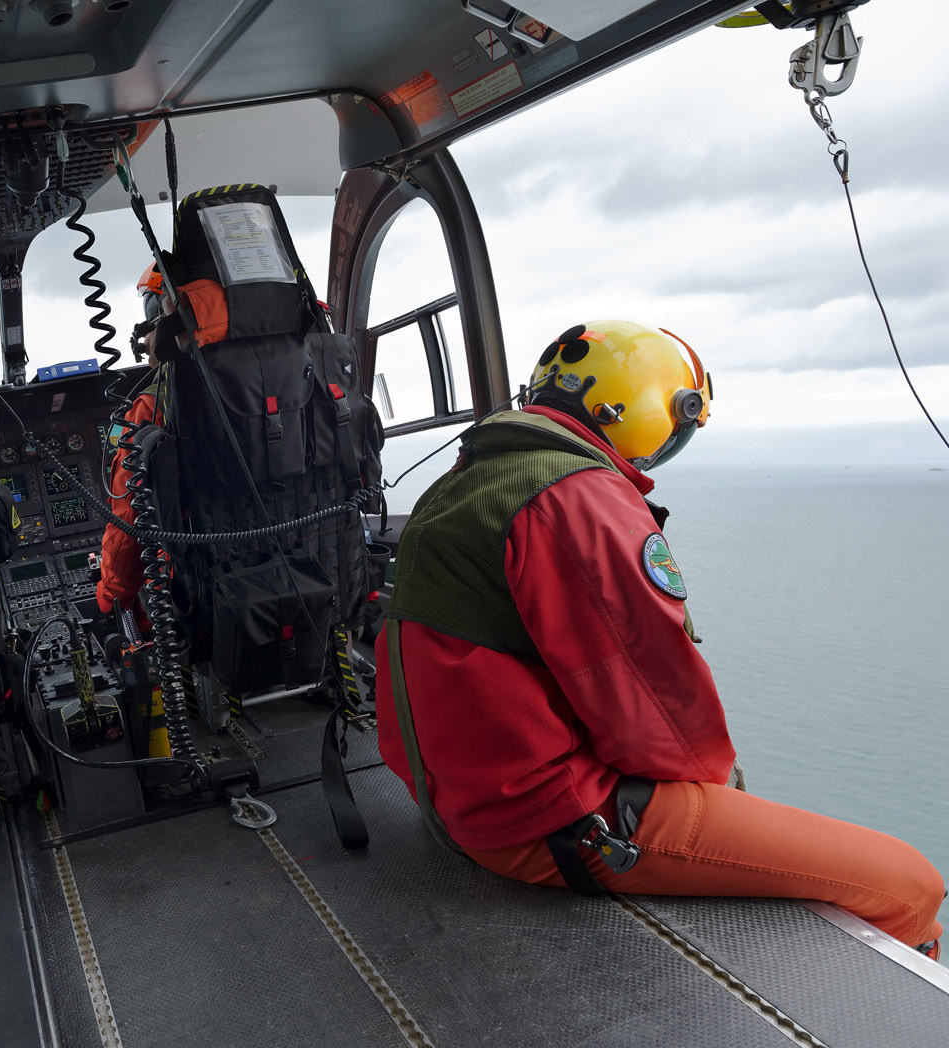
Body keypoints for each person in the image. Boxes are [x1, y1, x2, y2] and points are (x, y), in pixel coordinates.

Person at [374, 319, 943, 958]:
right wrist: (724, 798)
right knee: (909, 886)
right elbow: (653, 706)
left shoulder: (467, 483)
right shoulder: (577, 497)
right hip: (550, 820)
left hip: (462, 800)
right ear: (647, 411)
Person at [95, 264, 171, 621]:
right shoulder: (296, 374)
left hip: (198, 594)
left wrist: (109, 595)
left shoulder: (152, 408)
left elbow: (129, 525)